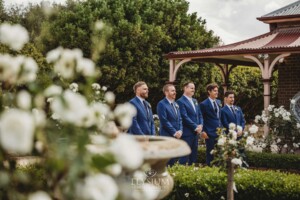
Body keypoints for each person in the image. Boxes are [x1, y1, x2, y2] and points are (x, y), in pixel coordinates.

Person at [177, 82, 203, 165]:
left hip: (195, 133)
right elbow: (184, 117)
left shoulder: (195, 101)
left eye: (194, 88)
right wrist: (195, 126)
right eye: (191, 88)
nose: (193, 90)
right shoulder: (180, 101)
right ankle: (180, 174)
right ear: (185, 88)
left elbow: (199, 114)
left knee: (194, 156)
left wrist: (201, 125)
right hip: (187, 133)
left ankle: (191, 175)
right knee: (184, 156)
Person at [157, 84, 182, 166]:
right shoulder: (161, 104)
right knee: (167, 160)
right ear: (166, 92)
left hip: (176, 135)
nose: (175, 92)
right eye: (172, 91)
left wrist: (180, 130)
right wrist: (174, 132)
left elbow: (180, 119)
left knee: (174, 159)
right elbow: (164, 120)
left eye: (174, 90)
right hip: (167, 135)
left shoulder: (175, 104)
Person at [200, 83, 222, 166]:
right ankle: (209, 170)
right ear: (209, 92)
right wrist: (203, 131)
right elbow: (201, 118)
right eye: (214, 91)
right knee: (210, 153)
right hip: (209, 132)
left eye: (217, 91)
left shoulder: (219, 102)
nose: (217, 92)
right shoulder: (203, 104)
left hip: (219, 132)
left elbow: (219, 117)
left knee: (220, 153)